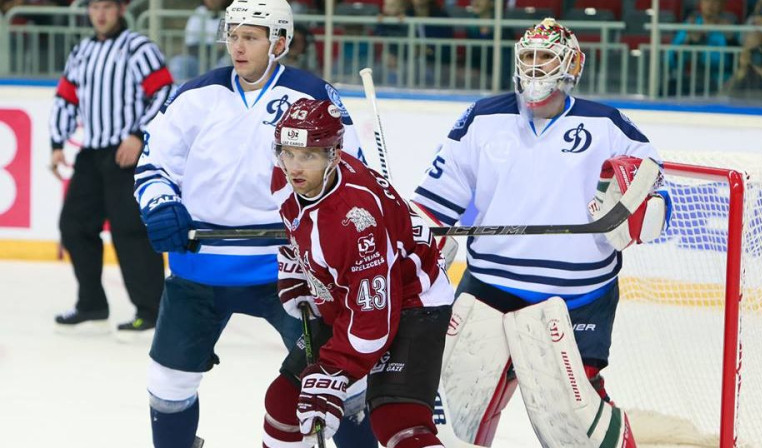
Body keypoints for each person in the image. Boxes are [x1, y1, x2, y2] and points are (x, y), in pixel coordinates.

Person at [133, 0, 377, 446]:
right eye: (233, 35)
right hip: (199, 266)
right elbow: (153, 164)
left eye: (250, 37)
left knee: (343, 384)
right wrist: (162, 204)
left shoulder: (312, 96)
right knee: (167, 386)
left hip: (289, 269)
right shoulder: (196, 94)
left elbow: (350, 172)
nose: (238, 47)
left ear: (278, 42)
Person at [412, 18, 666, 446]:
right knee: (462, 408)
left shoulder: (608, 125)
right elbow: (433, 202)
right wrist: (419, 238)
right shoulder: (481, 119)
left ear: (571, 65)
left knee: (571, 418)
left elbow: (654, 186)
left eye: (545, 57)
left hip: (577, 296)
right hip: (489, 287)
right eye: (527, 57)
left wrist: (646, 211)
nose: (534, 68)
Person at [263, 98, 455, 448]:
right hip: (353, 295)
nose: (294, 166)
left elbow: (373, 319)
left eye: (308, 156)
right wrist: (300, 265)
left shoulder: (356, 218)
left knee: (398, 423)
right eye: (287, 152)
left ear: (334, 154)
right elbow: (301, 226)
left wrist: (334, 373)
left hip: (414, 299)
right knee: (284, 401)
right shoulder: (286, 176)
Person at [49, 0, 172, 336]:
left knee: (130, 230)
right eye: (94, 7)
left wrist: (138, 134)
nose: (100, 13)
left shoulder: (138, 48)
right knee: (73, 225)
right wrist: (57, 144)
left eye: (107, 6)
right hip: (93, 152)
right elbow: (66, 98)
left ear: (121, 9)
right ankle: (91, 304)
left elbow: (163, 91)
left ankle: (151, 309)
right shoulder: (82, 51)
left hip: (126, 152)